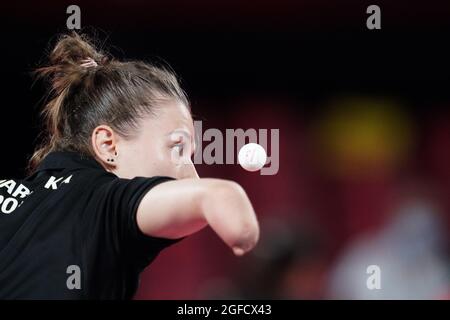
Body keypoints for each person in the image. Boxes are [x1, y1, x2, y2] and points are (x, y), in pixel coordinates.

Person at [0, 32, 259, 299]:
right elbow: (218, 196)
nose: (191, 175)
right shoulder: (106, 200)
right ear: (108, 145)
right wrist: (241, 228)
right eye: (177, 148)